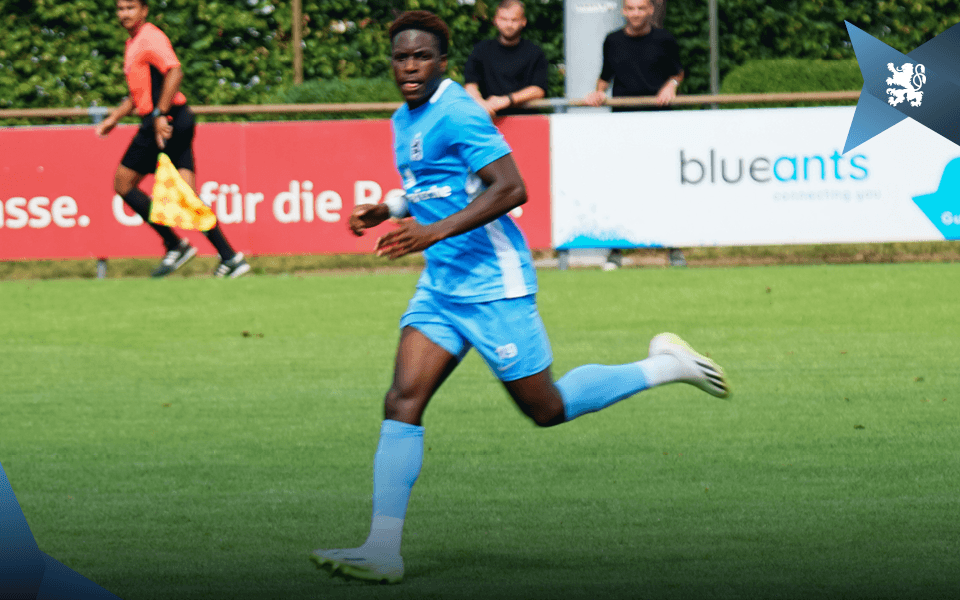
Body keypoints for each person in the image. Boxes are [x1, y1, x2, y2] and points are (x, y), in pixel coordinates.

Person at [309, 10, 729, 585]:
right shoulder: (403, 118)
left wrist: (431, 232)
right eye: (401, 57)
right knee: (402, 400)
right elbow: (428, 184)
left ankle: (666, 366)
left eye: (421, 57)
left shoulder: (460, 111)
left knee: (546, 409)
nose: (409, 67)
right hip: (442, 287)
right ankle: (383, 549)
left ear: (442, 63)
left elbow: (511, 187)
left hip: (494, 285)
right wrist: (388, 208)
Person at [96, 0, 250, 278]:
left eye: (130, 8)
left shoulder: (151, 37)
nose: (124, 13)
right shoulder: (133, 43)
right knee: (186, 195)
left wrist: (159, 114)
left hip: (163, 122)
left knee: (123, 182)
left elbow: (175, 71)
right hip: (174, 118)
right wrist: (114, 118)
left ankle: (175, 245)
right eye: (120, 8)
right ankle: (230, 258)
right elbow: (138, 94)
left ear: (144, 10)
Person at [583, 0, 687, 269]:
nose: (636, 13)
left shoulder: (664, 39)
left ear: (651, 10)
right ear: (623, 11)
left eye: (641, 8)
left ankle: (673, 248)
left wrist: (671, 85)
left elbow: (678, 73)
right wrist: (598, 93)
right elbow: (605, 77)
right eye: (631, 8)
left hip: (659, 123)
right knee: (622, 186)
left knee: (663, 185)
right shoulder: (612, 41)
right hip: (623, 126)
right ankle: (616, 250)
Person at [463, 0, 549, 118]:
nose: (509, 24)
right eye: (504, 19)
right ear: (495, 20)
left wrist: (508, 100)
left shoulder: (535, 52)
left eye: (514, 20)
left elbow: (539, 90)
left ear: (523, 22)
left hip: (526, 121)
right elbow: (470, 85)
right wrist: (480, 102)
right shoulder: (480, 50)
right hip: (489, 120)